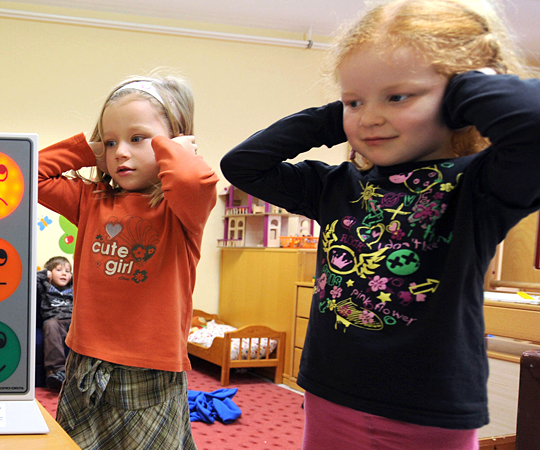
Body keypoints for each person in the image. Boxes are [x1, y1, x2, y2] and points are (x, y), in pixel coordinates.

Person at [220, 1, 540, 448]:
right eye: (354, 101)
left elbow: (533, 123)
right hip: (330, 391)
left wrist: (465, 88)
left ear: (456, 98)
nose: (370, 117)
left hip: (427, 408)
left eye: (397, 96)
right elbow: (243, 165)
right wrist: (341, 115)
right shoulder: (335, 185)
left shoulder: (478, 186)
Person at [38, 71, 219, 449]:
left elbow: (195, 181)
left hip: (149, 373)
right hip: (85, 363)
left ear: (174, 139)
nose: (120, 151)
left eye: (138, 138)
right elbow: (30, 175)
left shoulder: (180, 210)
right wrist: (91, 149)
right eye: (110, 141)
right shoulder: (92, 201)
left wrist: (172, 149)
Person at [36, 255, 73, 390]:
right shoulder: (44, 286)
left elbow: (87, 280)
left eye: (68, 271)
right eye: (59, 270)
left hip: (73, 320)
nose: (64, 273)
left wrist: (73, 276)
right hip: (55, 321)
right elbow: (30, 280)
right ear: (50, 273)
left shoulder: (73, 286)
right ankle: (57, 372)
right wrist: (45, 274)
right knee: (50, 325)